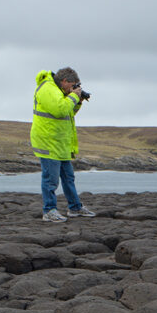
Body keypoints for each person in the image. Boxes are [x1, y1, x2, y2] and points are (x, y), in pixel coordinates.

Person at [31, 67, 89, 221]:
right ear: (64, 81)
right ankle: (49, 211)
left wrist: (78, 101)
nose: (73, 89)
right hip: (48, 142)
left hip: (60, 143)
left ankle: (75, 207)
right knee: (51, 179)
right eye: (72, 85)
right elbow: (60, 110)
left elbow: (68, 112)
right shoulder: (47, 89)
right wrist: (74, 97)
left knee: (68, 177)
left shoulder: (59, 91)